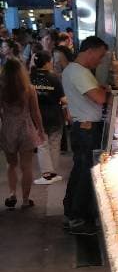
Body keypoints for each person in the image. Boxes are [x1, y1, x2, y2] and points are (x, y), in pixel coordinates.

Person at [61, 35, 109, 235]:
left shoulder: (76, 71)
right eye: (100, 56)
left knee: (80, 171)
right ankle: (79, 219)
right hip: (87, 130)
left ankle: (72, 213)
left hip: (84, 128)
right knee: (86, 173)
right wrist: (107, 92)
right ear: (89, 51)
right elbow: (99, 98)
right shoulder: (78, 72)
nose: (100, 61)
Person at [0, 57, 45, 209]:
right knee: (27, 166)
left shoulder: (2, 89)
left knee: (11, 164)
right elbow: (36, 113)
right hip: (26, 128)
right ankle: (26, 200)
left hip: (8, 128)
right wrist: (41, 130)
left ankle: (12, 194)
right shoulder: (29, 89)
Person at [30, 50, 66, 184]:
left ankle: (46, 175)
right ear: (46, 63)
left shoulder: (30, 78)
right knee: (55, 144)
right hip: (55, 115)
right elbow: (63, 99)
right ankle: (53, 173)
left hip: (37, 116)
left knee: (42, 145)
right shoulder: (54, 78)